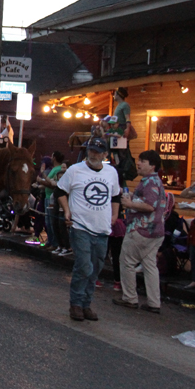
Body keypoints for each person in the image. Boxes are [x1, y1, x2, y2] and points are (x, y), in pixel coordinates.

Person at [56, 137, 121, 322]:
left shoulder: (111, 172)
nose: (94, 154)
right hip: (80, 226)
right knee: (84, 266)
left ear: (105, 155)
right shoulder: (75, 170)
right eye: (91, 150)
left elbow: (115, 195)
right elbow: (60, 191)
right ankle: (75, 304)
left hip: (102, 228)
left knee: (96, 269)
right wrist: (67, 210)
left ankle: (86, 304)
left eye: (98, 152)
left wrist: (114, 215)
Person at [113, 150, 168, 313]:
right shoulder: (155, 181)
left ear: (152, 166)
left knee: (127, 262)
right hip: (156, 231)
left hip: (141, 229)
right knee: (150, 265)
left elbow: (149, 206)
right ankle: (154, 302)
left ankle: (130, 297)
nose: (138, 163)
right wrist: (130, 196)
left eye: (142, 161)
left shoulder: (150, 182)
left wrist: (129, 204)